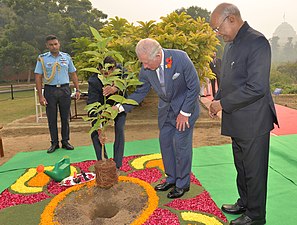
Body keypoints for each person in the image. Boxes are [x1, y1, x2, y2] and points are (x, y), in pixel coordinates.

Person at [209, 3, 278, 225]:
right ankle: (245, 202)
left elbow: (256, 87)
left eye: (217, 28)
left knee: (254, 171)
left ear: (231, 19)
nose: (217, 33)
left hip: (254, 121)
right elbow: (228, 79)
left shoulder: (257, 42)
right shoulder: (230, 44)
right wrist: (217, 98)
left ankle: (256, 216)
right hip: (237, 119)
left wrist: (222, 104)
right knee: (242, 166)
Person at [117, 38, 200, 198]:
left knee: (180, 144)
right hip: (166, 111)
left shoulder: (180, 58)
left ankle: (183, 184)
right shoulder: (146, 68)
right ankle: (171, 178)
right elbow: (141, 91)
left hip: (185, 109)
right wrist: (121, 107)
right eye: (142, 63)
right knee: (166, 142)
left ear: (157, 55)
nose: (144, 66)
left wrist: (185, 113)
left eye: (146, 62)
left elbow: (194, 87)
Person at [35, 35, 80, 153]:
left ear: (59, 44)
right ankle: (54, 143)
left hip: (64, 89)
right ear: (47, 46)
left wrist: (77, 89)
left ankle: (65, 141)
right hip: (50, 90)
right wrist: (40, 95)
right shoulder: (42, 59)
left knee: (65, 117)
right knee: (52, 118)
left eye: (55, 44)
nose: (54, 46)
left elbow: (73, 73)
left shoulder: (66, 57)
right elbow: (38, 77)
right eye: (51, 44)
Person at [87, 56, 126, 169]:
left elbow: (127, 83)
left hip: (118, 105)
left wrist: (116, 87)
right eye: (105, 71)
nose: (108, 73)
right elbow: (92, 106)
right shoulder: (93, 81)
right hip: (101, 108)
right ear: (99, 68)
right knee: (95, 132)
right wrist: (99, 130)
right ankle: (102, 161)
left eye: (111, 70)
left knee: (119, 129)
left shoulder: (121, 72)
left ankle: (117, 164)